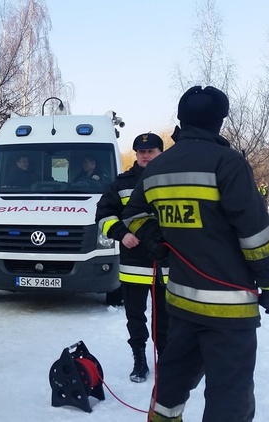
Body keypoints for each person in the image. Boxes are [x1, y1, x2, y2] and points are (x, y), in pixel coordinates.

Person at [122, 86, 269, 421]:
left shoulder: (156, 168)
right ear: (219, 122)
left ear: (181, 120)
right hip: (229, 311)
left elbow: (133, 214)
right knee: (229, 398)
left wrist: (154, 237)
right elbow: (255, 235)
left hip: (181, 303)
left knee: (171, 385)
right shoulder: (228, 163)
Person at [95, 133, 169, 383]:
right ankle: (139, 360)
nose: (145, 155)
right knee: (135, 317)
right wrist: (122, 234)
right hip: (135, 263)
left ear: (161, 152)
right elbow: (104, 215)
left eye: (151, 151)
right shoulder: (122, 182)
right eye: (141, 152)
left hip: (168, 264)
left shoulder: (173, 179)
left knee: (166, 319)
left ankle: (166, 362)